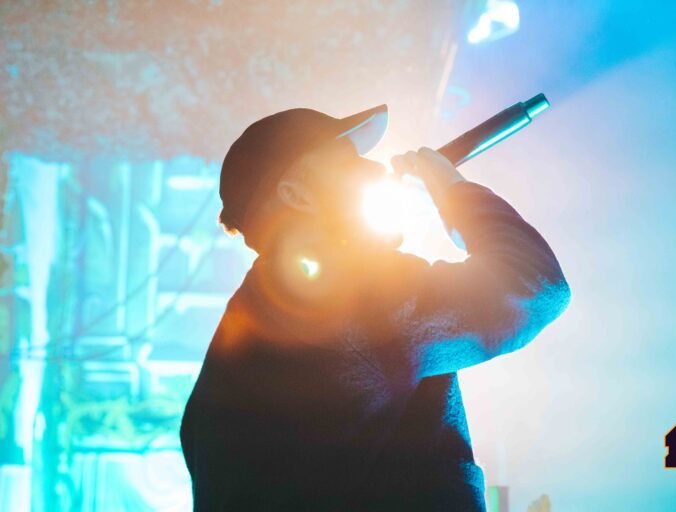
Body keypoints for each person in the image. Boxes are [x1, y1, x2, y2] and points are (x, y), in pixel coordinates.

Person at [179, 104, 570, 511]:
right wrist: (451, 190)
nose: (375, 169)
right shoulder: (351, 291)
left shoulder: (249, 330)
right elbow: (533, 286)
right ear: (295, 192)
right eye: (348, 160)